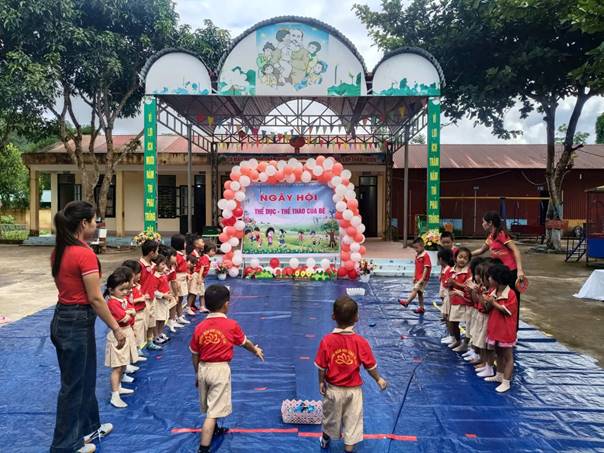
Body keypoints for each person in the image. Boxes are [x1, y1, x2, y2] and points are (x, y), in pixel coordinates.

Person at [50, 200, 123, 453]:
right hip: (76, 322)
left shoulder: (61, 250)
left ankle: (89, 428)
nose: (97, 224)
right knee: (74, 386)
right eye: (94, 221)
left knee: (86, 377)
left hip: (66, 318)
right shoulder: (83, 254)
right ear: (84, 223)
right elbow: (95, 298)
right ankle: (65, 445)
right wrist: (116, 327)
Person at [189, 285, 264, 453]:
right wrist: (255, 350)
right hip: (220, 370)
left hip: (203, 368)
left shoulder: (199, 327)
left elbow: (194, 353)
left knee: (210, 405)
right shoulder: (231, 325)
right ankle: (203, 448)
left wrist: (197, 373)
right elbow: (244, 343)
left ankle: (214, 429)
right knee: (212, 413)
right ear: (226, 304)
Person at [314, 295, 388, 452]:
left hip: (333, 390)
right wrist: (378, 379)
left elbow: (321, 366)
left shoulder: (327, 341)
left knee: (330, 418)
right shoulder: (361, 342)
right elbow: (370, 366)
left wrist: (321, 382)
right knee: (353, 422)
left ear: (333, 316)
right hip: (354, 392)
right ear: (356, 318)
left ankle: (325, 439)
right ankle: (348, 449)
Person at [471, 212, 526, 329]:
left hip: (510, 273)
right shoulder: (491, 236)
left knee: (511, 301)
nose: (482, 224)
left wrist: (520, 270)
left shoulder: (501, 234)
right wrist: (467, 254)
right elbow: (481, 250)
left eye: (483, 222)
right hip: (498, 274)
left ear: (490, 223)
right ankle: (500, 327)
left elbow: (516, 250)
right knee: (498, 299)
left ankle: (513, 330)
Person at [103, 267, 139, 408]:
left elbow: (131, 313)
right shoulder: (112, 303)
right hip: (118, 335)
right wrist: (129, 313)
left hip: (126, 332)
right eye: (121, 289)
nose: (125, 292)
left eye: (126, 289)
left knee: (123, 362)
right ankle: (114, 394)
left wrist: (130, 313)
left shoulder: (121, 300)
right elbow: (124, 317)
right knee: (117, 367)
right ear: (111, 290)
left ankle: (118, 387)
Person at [483, 263, 519, 392]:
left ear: (498, 279)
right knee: (498, 353)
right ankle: (499, 375)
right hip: (495, 328)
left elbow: (507, 311)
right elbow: (487, 309)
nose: (489, 279)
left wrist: (493, 302)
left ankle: (506, 382)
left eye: (491, 277)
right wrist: (486, 300)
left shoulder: (511, 294)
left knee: (508, 357)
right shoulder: (493, 291)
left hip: (506, 331)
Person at [444, 248, 472, 352]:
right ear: (455, 258)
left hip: (463, 301)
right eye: (460, 257)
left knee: (468, 323)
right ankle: (457, 340)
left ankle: (466, 343)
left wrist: (455, 283)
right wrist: (448, 283)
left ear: (468, 260)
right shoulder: (451, 270)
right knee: (453, 322)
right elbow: (445, 283)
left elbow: (468, 287)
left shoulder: (468, 272)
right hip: (452, 300)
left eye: (465, 258)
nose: (462, 260)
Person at [121, 260, 148, 359]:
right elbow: (126, 302)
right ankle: (130, 356)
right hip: (133, 314)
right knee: (133, 334)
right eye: (138, 273)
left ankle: (135, 352)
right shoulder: (126, 289)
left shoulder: (136, 285)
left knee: (138, 333)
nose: (140, 275)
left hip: (138, 313)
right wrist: (140, 299)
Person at [399, 238, 431, 314]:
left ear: (422, 246)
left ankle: (407, 302)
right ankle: (421, 308)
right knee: (420, 293)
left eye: (417, 248)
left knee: (415, 289)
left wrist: (422, 279)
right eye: (414, 248)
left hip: (423, 278)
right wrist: (414, 276)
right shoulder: (417, 255)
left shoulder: (425, 255)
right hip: (418, 277)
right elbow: (416, 267)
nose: (416, 250)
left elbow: (426, 268)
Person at [190, 242, 217, 313]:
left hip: (200, 277)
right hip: (197, 276)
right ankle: (188, 307)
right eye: (213, 251)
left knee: (202, 292)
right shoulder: (205, 258)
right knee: (193, 292)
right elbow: (202, 268)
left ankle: (202, 307)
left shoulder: (207, 258)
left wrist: (201, 278)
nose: (214, 253)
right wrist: (199, 278)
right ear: (208, 251)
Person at [437, 248, 455, 343]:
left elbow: (447, 284)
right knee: (446, 317)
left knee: (448, 317)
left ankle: (452, 337)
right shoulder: (446, 269)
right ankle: (451, 335)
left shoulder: (448, 270)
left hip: (448, 296)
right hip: (446, 296)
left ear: (440, 259)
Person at [172, 234, 192, 320]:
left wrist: (187, 274)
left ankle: (179, 315)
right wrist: (176, 280)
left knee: (180, 298)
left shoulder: (181, 254)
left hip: (182, 277)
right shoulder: (176, 256)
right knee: (178, 298)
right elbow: (174, 269)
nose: (185, 244)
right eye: (184, 243)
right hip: (178, 278)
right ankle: (175, 316)